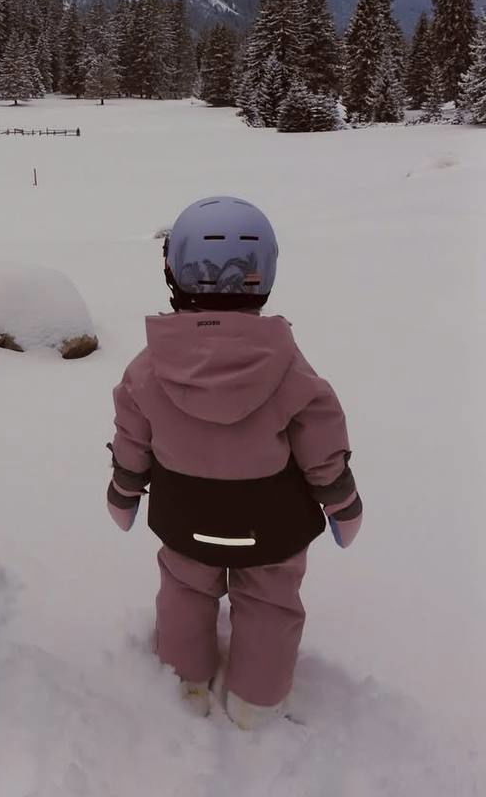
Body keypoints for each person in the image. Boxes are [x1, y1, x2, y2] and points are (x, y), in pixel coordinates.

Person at [106, 196, 362, 729]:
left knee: (184, 590)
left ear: (174, 272)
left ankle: (185, 681)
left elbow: (133, 438)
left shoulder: (147, 368)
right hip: (269, 525)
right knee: (270, 600)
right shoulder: (289, 367)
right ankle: (256, 702)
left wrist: (125, 492)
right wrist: (343, 503)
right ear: (264, 275)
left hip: (185, 519)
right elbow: (321, 443)